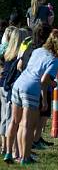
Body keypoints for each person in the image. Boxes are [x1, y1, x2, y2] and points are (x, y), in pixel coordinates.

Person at [4, 29, 58, 165]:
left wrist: (44, 98)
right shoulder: (55, 60)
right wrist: (54, 83)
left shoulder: (38, 50)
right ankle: (25, 158)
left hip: (19, 83)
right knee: (27, 125)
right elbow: (44, 80)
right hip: (31, 89)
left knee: (15, 122)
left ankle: (9, 153)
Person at [0, 28, 30, 162]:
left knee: (7, 120)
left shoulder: (7, 53)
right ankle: (15, 151)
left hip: (4, 88)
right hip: (14, 90)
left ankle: (6, 149)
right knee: (16, 122)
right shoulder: (20, 56)